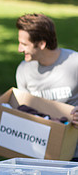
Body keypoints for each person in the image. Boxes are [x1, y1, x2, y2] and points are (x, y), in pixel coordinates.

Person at [15, 13, 78, 155]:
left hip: (73, 154)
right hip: (39, 153)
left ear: (42, 44)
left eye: (24, 44)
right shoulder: (23, 70)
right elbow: (24, 113)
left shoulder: (75, 64)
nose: (19, 49)